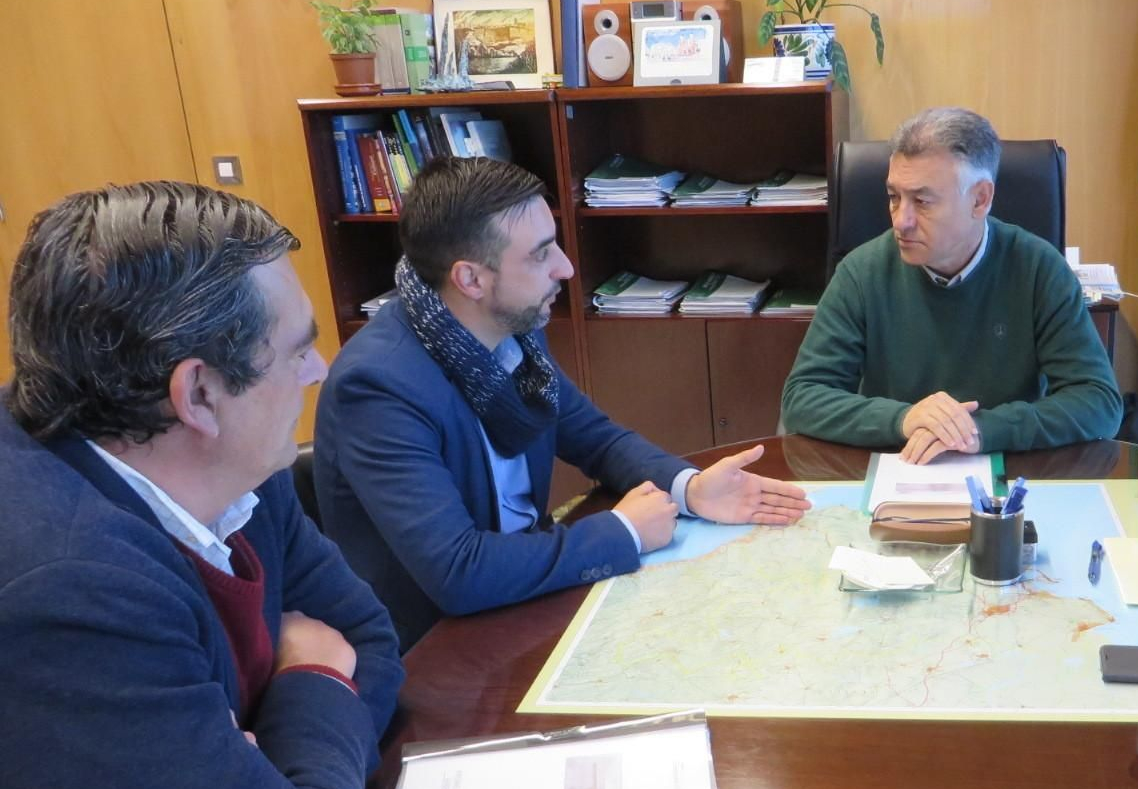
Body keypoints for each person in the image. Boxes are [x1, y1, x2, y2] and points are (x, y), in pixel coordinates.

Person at [0, 182, 403, 789]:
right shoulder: (59, 587)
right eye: (299, 347)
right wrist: (305, 678)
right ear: (199, 393)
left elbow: (374, 642)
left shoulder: (231, 470)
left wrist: (266, 765)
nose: (320, 370)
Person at [315, 156, 811, 650]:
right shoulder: (379, 385)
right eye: (540, 253)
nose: (566, 268)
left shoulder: (514, 332)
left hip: (524, 599)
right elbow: (457, 572)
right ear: (470, 279)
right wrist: (622, 532)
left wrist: (692, 489)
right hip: (435, 647)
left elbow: (596, 439)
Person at [780, 106, 1123, 464]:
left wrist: (980, 429)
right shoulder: (860, 272)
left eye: (922, 202)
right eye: (894, 197)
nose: (901, 221)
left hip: (1007, 476)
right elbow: (802, 398)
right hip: (896, 473)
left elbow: (1098, 401)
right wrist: (903, 418)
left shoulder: (1039, 269)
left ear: (980, 199)